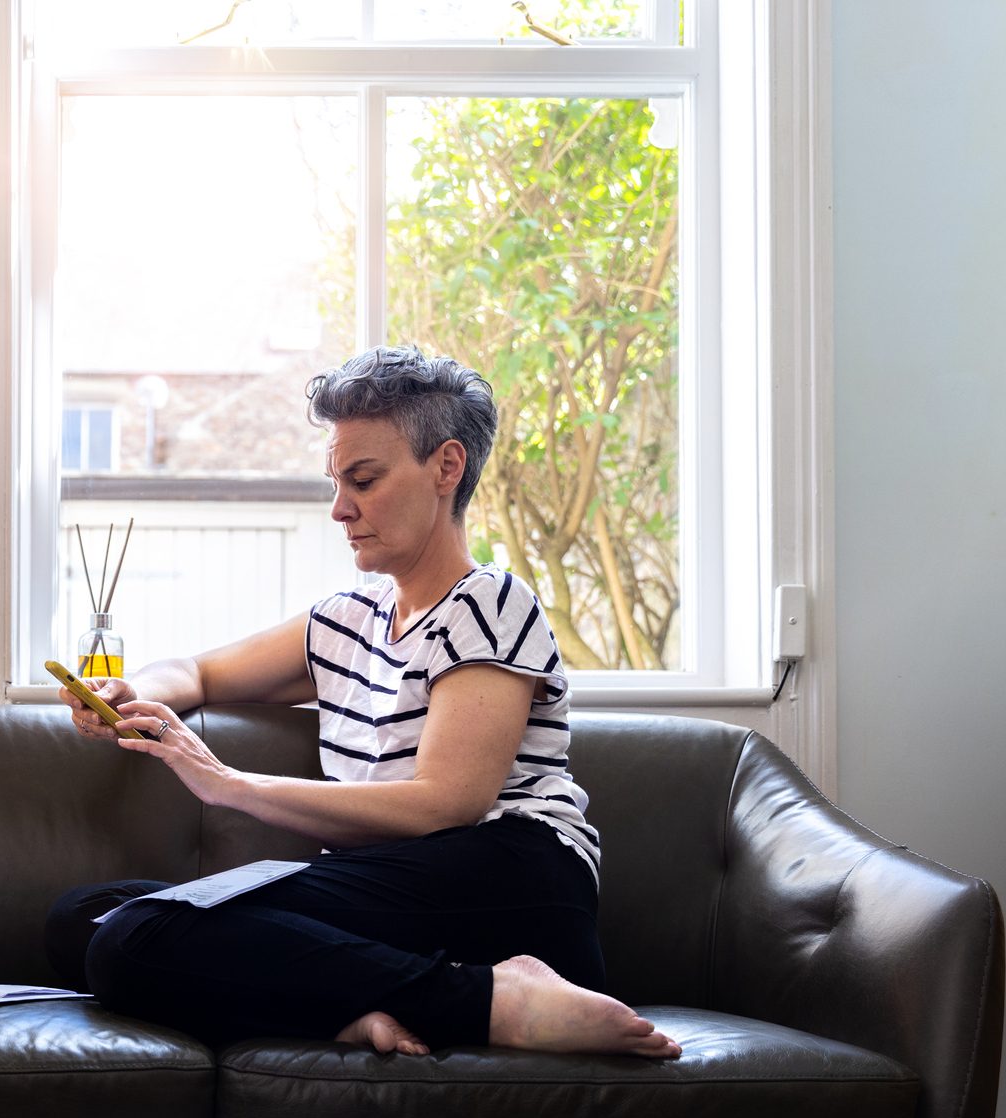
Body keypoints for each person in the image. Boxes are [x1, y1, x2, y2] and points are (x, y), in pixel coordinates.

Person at [45, 346, 678, 1061]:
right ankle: (360, 1006)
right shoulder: (346, 619)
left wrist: (235, 787)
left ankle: (499, 1004)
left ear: (446, 467)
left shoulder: (492, 602)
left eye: (365, 481)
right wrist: (134, 694)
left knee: (140, 937)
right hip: (389, 898)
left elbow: (447, 804)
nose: (341, 509)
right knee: (89, 920)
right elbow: (197, 670)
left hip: (510, 878)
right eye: (337, 482)